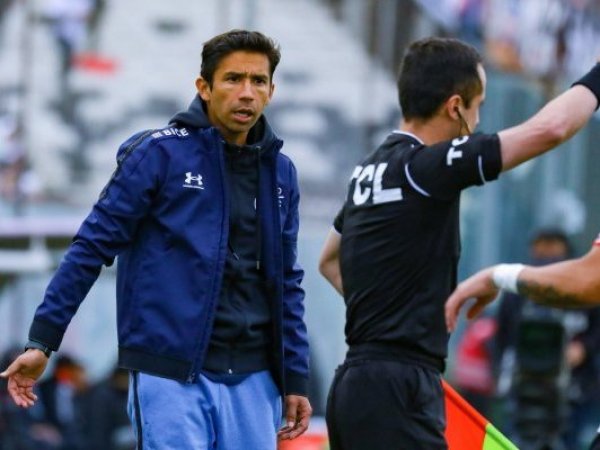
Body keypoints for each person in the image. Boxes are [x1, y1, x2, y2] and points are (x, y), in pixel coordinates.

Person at [0, 29, 311, 450]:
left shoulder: (282, 173)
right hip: (169, 371)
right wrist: (43, 340)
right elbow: (91, 247)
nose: (246, 93)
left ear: (271, 91)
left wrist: (295, 376)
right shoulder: (158, 155)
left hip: (255, 378)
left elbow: (286, 281)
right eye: (233, 79)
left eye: (258, 81)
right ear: (204, 87)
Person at [318, 36, 600, 450]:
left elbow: (328, 260)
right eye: (478, 104)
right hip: (400, 385)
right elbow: (550, 130)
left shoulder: (372, 169)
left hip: (354, 381)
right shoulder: (426, 167)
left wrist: (386, 313)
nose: (479, 117)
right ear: (455, 107)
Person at [492, 229, 600, 449]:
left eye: (554, 253)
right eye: (541, 252)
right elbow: (502, 335)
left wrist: (583, 349)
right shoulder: (518, 291)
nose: (547, 258)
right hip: (523, 388)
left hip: (574, 390)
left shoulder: (587, 289)